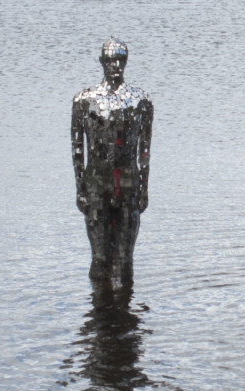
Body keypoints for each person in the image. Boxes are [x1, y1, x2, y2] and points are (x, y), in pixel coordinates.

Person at [71, 38, 154, 281]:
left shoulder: (141, 101)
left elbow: (145, 150)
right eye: (110, 60)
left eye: (120, 60)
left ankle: (122, 313)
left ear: (126, 62)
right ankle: (100, 310)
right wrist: (80, 189)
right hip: (96, 181)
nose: (115, 65)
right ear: (102, 62)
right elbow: (77, 149)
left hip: (128, 181)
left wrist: (144, 188)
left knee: (125, 258)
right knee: (99, 256)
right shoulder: (84, 100)